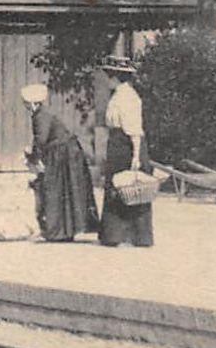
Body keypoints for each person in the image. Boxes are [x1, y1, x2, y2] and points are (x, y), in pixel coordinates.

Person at [22, 82, 99, 241]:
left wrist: (33, 157)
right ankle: (64, 231)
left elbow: (41, 140)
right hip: (62, 152)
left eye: (27, 103)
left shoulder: (41, 116)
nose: (25, 106)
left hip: (65, 154)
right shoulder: (41, 114)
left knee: (58, 190)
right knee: (63, 190)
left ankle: (59, 231)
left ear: (34, 103)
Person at [98, 56, 154, 247]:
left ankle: (137, 236)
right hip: (117, 143)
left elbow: (134, 129)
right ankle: (114, 235)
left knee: (131, 187)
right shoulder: (117, 95)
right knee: (116, 187)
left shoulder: (129, 98)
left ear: (116, 77)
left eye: (109, 76)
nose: (106, 80)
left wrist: (136, 156)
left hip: (128, 144)